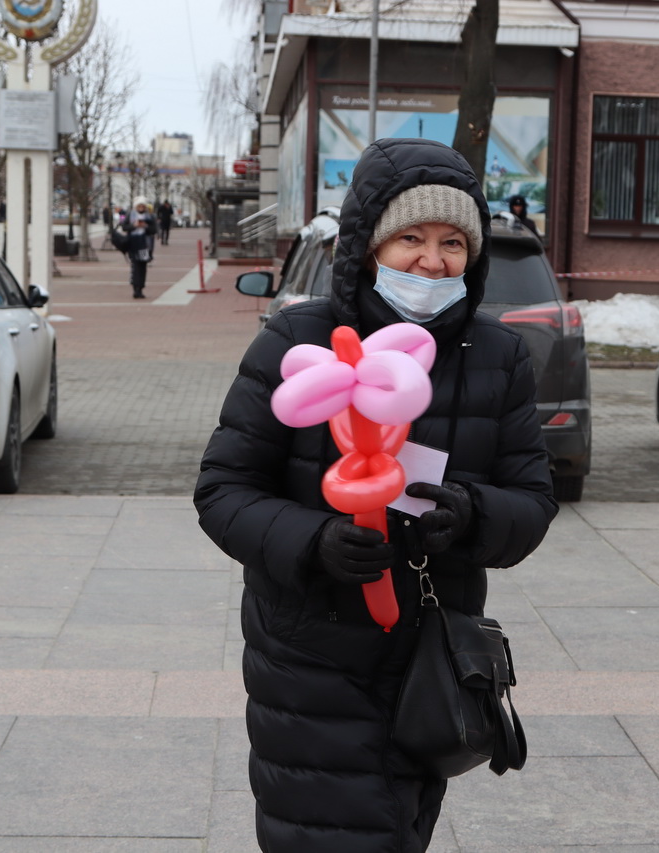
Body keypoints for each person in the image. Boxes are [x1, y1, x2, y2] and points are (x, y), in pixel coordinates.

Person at [194, 137, 558, 852]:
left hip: (430, 651)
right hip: (310, 657)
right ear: (366, 245)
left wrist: (473, 515)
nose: (433, 260)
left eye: (454, 240)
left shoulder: (497, 355)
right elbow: (223, 488)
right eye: (410, 237)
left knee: (397, 827)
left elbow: (534, 499)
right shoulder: (299, 340)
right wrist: (313, 541)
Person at [123, 214, 153, 298]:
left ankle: (140, 288)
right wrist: (134, 225)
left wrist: (145, 226)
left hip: (144, 246)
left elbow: (154, 229)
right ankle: (135, 288)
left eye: (142, 206)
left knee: (142, 267)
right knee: (135, 267)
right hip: (133, 245)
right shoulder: (130, 215)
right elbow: (124, 227)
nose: (141, 208)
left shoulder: (148, 216)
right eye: (139, 206)